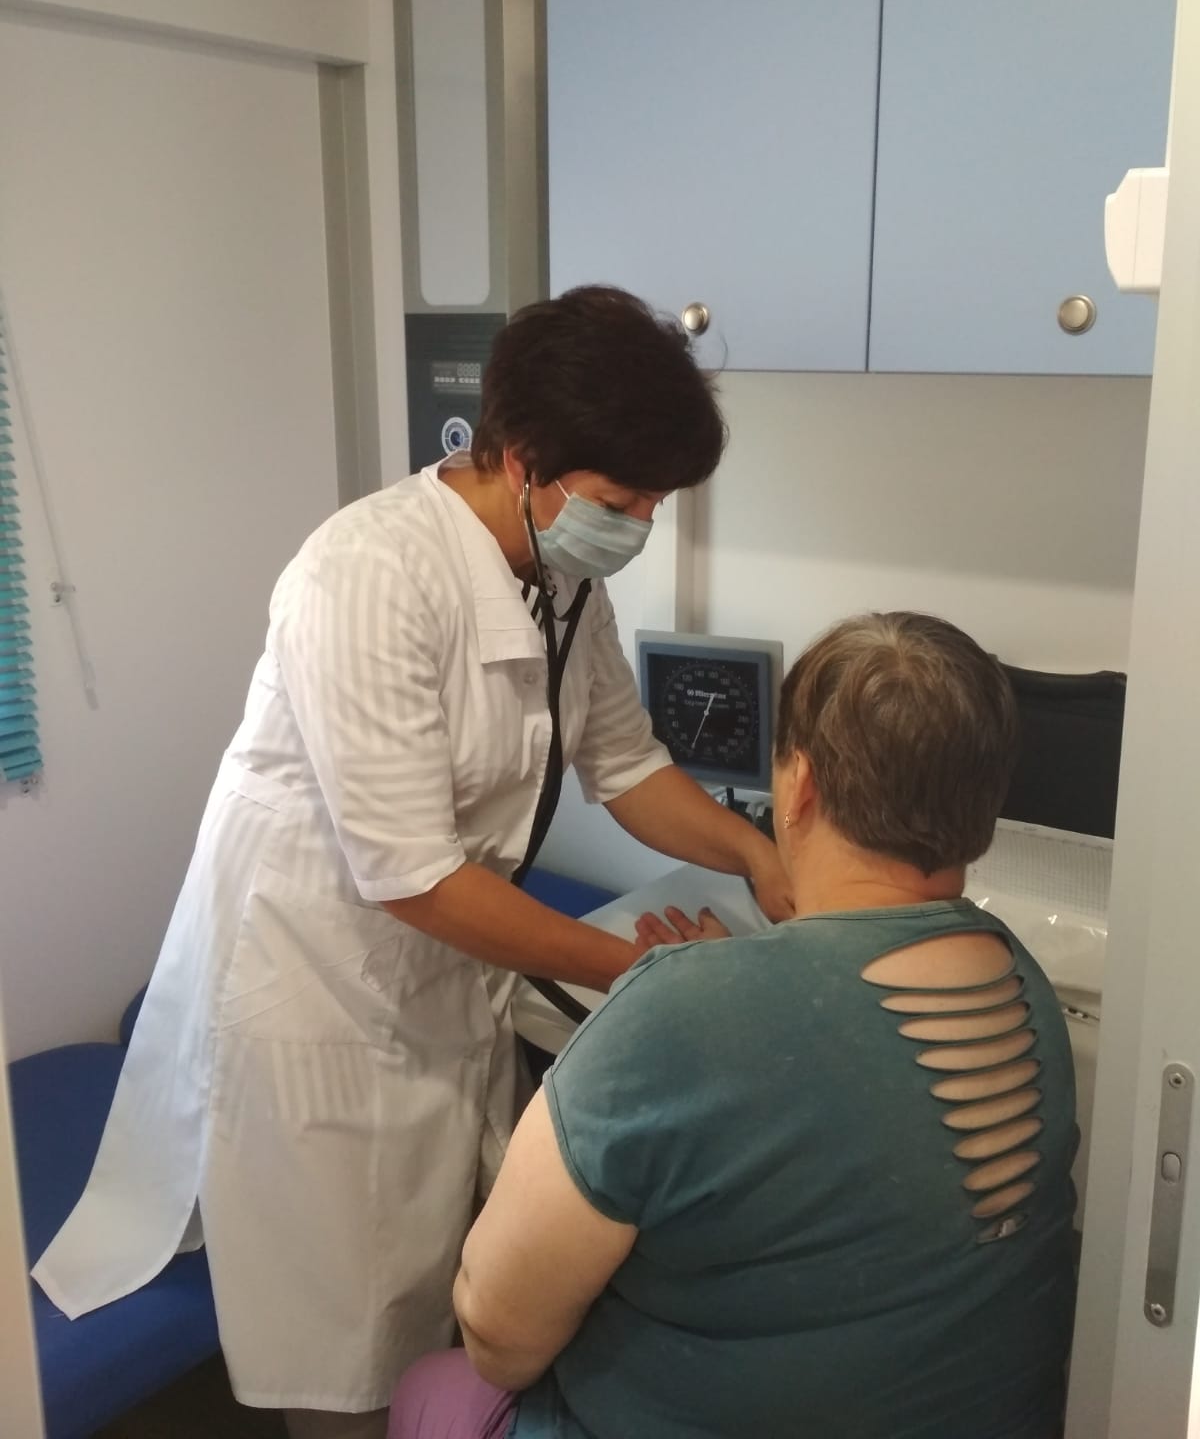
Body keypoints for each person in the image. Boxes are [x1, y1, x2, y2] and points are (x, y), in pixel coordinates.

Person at [33, 286, 793, 1439]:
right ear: (523, 458)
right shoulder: (364, 574)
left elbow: (624, 762)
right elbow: (413, 877)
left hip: (435, 963)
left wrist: (753, 852)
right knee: (341, 1327)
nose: (640, 523)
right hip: (318, 978)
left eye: (656, 501)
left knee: (430, 1276)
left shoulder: (565, 576)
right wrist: (632, 971)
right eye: (621, 499)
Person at [389, 612, 1079, 1439]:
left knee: (433, 1385)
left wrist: (690, 992)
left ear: (800, 787)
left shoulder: (677, 1020)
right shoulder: (1025, 984)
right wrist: (731, 980)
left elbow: (497, 1334)